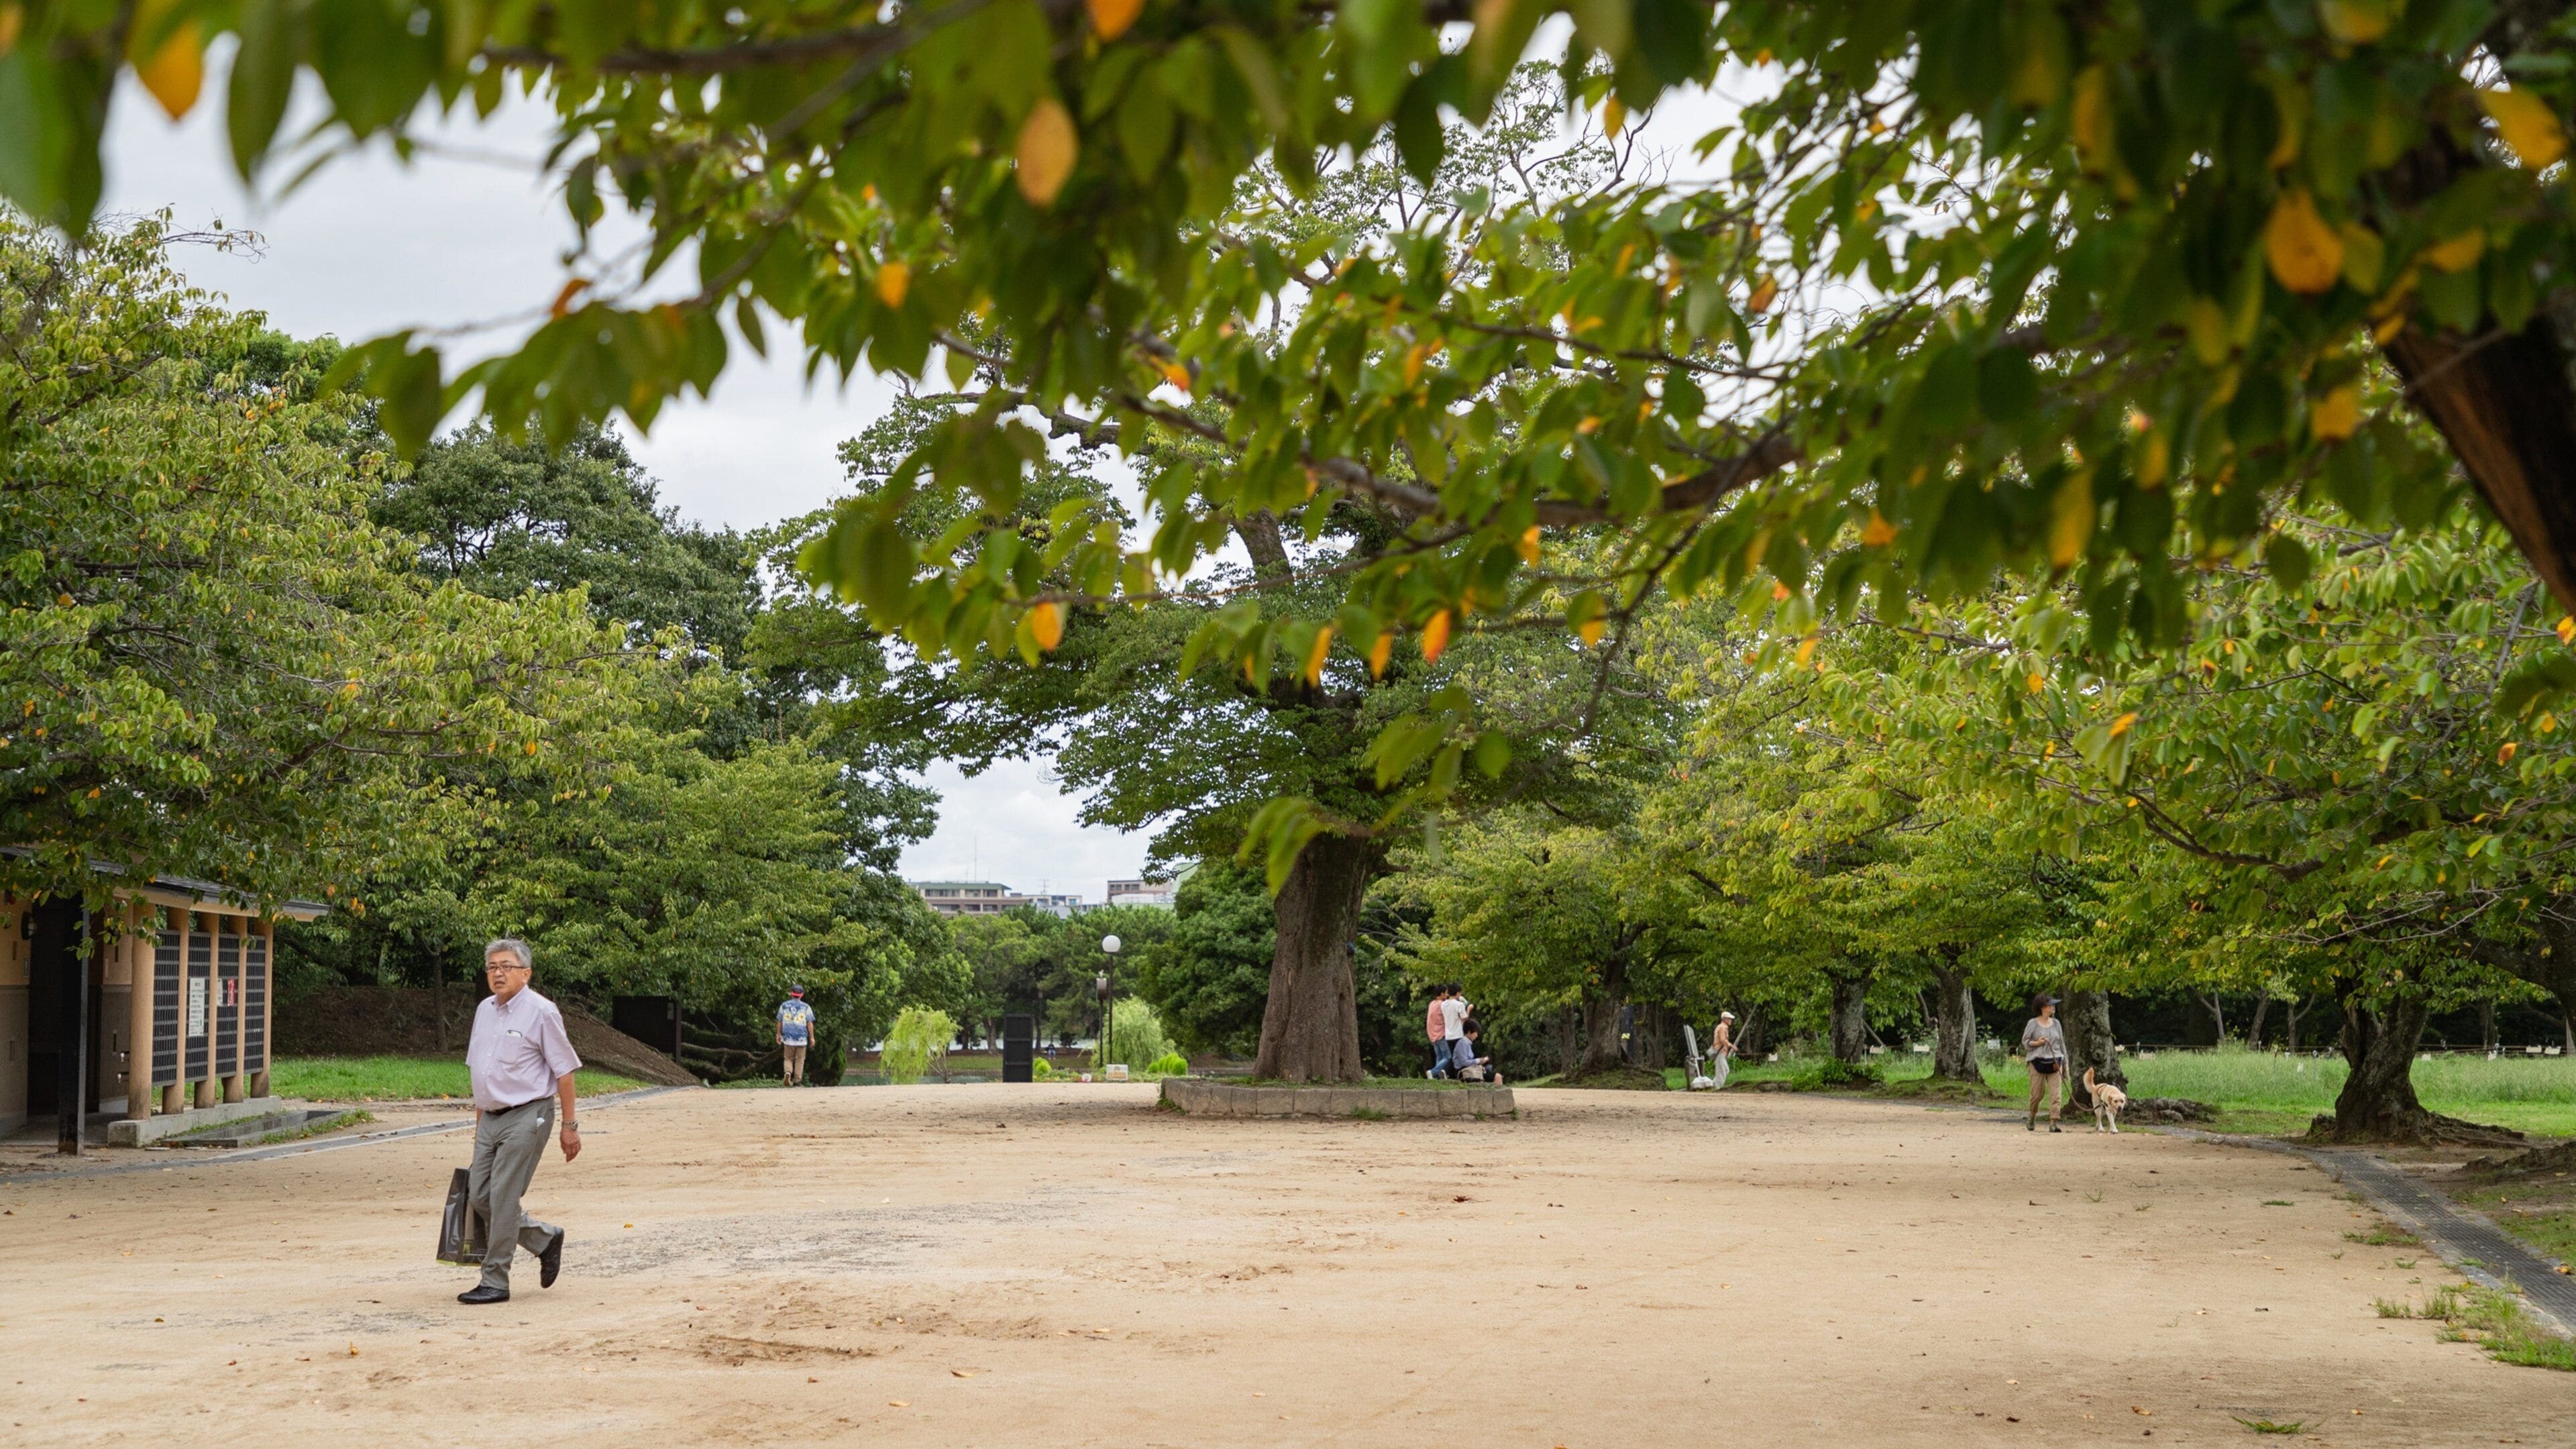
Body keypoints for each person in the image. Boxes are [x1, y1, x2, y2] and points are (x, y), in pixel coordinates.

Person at [460, 938, 582, 1305]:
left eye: (506, 967)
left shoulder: (542, 1012)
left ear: (525, 974)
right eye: (492, 967)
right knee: (480, 1196)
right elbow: (480, 1070)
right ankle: (543, 1239)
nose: (498, 973)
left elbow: (565, 1072)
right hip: (491, 1117)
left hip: (530, 1113)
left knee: (503, 1196)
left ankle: (495, 1280)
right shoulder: (484, 1010)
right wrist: (480, 1122)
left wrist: (569, 1127)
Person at [2022, 994, 2069, 1132]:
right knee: (2037, 1095)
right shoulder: (2033, 1023)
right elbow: (2025, 1042)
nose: (2054, 1007)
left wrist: (2065, 1062)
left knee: (2056, 1094)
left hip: (2055, 1061)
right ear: (2043, 1007)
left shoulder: (2057, 1024)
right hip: (2037, 1062)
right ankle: (2032, 1116)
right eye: (2051, 1005)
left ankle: (2054, 1122)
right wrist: (2037, 1043)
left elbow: (2061, 1043)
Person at [777, 985, 816, 1087]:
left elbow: (779, 1021)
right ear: (802, 995)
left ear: (792, 993)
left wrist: (778, 1034)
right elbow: (809, 1023)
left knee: (788, 1058)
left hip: (788, 1038)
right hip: (802, 1039)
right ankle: (797, 1081)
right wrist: (812, 1037)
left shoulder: (784, 1006)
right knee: (800, 1060)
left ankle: (788, 1072)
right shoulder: (806, 1007)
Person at [1424, 984, 1452, 1079]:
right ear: (1442, 994)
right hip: (1440, 1034)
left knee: (1439, 1057)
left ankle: (1438, 1077)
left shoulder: (1432, 1003)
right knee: (1447, 1057)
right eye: (1446, 993)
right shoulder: (1442, 1004)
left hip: (1432, 1035)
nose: (1448, 995)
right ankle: (1433, 1072)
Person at [1706, 1010, 1737, 1091]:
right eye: (1729, 1019)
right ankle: (1718, 1087)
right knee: (1722, 1071)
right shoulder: (1722, 1027)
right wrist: (1731, 1046)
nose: (1731, 1021)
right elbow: (1723, 1040)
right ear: (1724, 1019)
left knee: (1725, 1070)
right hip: (1719, 1052)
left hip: (1721, 1053)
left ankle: (1713, 1085)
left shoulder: (1722, 1027)